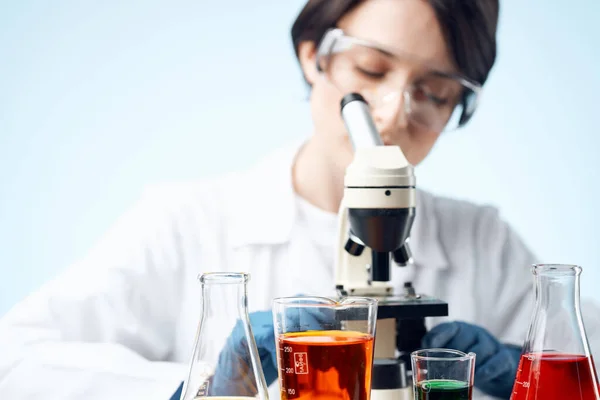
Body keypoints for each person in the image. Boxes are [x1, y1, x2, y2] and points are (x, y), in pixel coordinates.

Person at [1, 0, 599, 399]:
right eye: (370, 69)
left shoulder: (484, 244)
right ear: (313, 55)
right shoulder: (186, 224)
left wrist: (524, 373)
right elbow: (15, 360)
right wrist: (206, 381)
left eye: (435, 93)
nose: (393, 112)